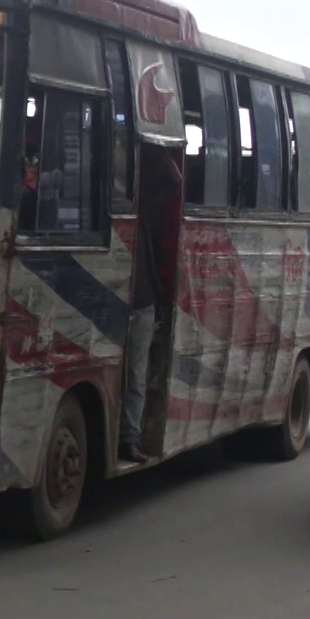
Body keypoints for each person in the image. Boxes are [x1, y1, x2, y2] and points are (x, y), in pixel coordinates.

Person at [120, 147, 182, 464]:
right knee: (128, 374)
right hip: (121, 303)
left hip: (142, 303)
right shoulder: (119, 210)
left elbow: (178, 183)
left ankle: (129, 437)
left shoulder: (146, 213)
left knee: (135, 375)